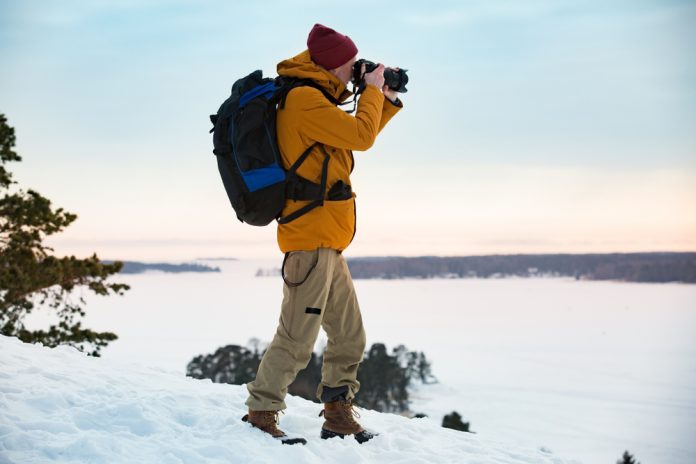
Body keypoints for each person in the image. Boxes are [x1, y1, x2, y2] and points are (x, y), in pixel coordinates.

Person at [242, 23, 403, 444]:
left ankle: (337, 413)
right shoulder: (302, 100)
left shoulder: (319, 101)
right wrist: (369, 91)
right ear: (332, 66)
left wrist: (381, 98)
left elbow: (352, 138)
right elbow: (360, 137)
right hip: (309, 241)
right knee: (297, 338)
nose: (355, 73)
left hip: (329, 242)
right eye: (351, 67)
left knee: (350, 336)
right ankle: (261, 414)